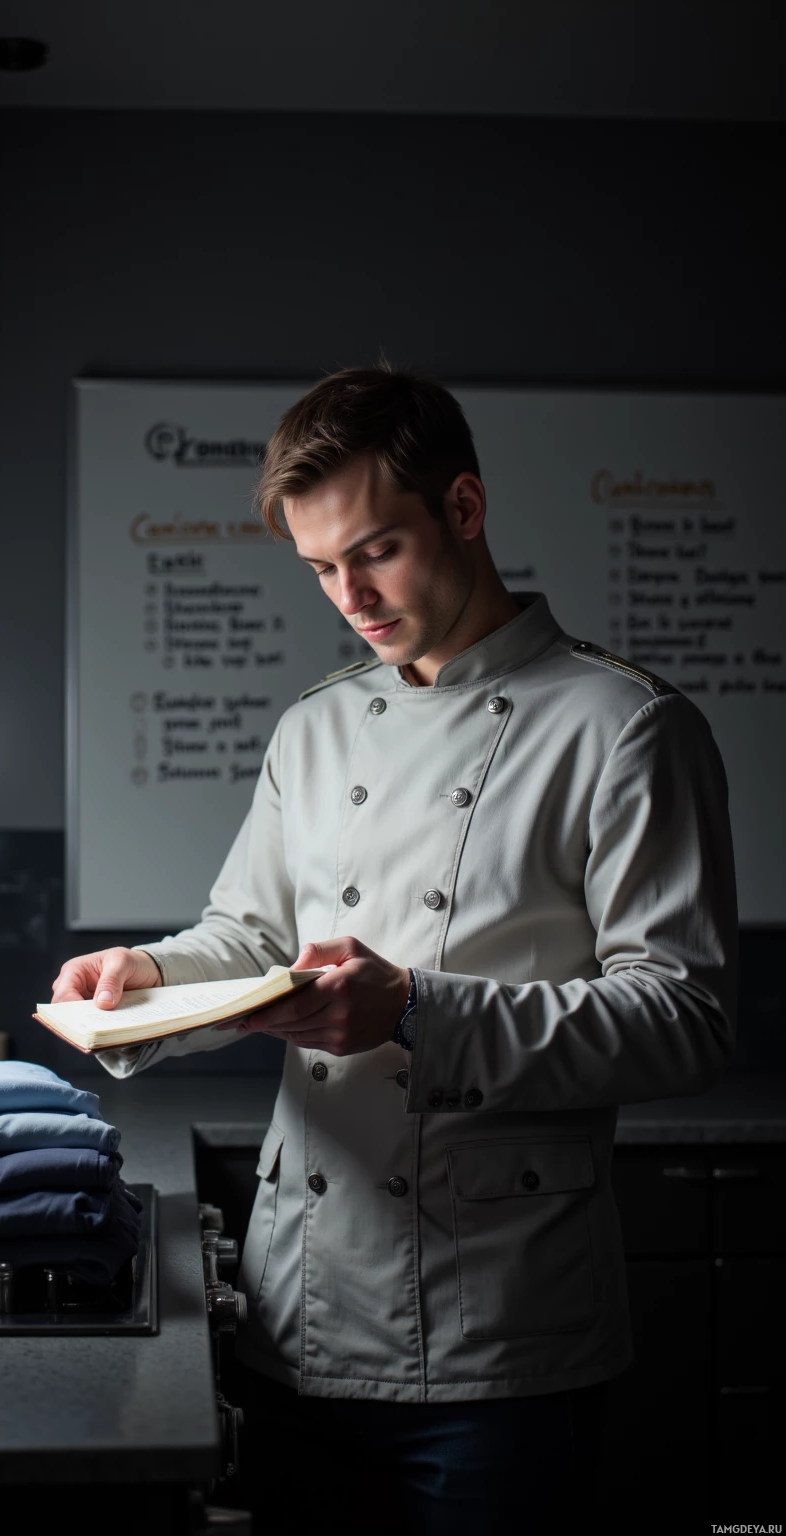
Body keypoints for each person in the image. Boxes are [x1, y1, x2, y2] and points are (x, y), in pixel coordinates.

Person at [53, 366, 737, 1534]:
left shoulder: (625, 726)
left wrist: (418, 1008)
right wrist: (152, 975)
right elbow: (252, 935)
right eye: (321, 568)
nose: (349, 597)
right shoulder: (317, 725)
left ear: (463, 510)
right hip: (297, 1303)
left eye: (374, 552)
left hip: (499, 1335)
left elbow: (684, 1018)